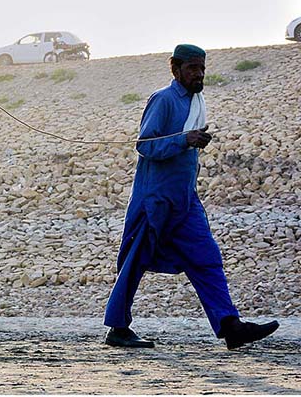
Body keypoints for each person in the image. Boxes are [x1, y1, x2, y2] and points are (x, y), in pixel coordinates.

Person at [103, 44, 279, 350]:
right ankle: (118, 328)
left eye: (202, 68)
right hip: (155, 199)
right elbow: (145, 145)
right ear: (175, 68)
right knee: (135, 261)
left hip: (185, 200)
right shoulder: (164, 100)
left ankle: (230, 325)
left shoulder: (198, 101)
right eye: (192, 69)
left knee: (207, 258)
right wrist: (185, 140)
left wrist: (193, 141)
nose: (199, 75)